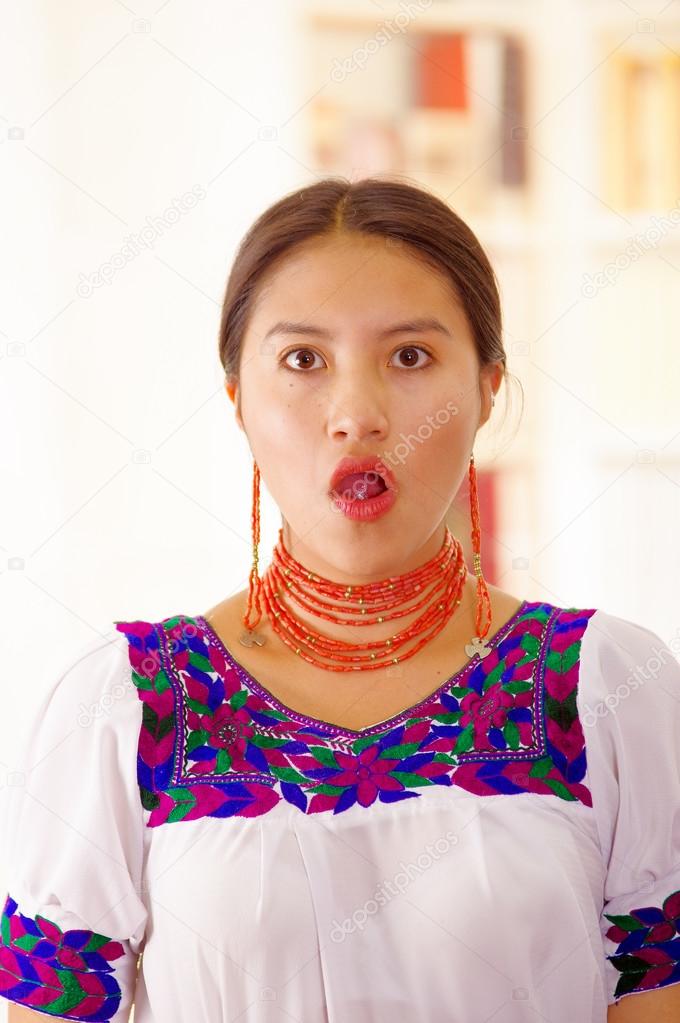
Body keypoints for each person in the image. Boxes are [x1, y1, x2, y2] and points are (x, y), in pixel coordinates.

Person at [1, 177, 679, 1023]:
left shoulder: (611, 688)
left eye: (410, 357)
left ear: (487, 388)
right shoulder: (128, 704)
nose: (357, 416)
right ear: (237, 399)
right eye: (302, 360)